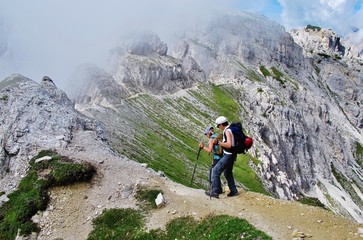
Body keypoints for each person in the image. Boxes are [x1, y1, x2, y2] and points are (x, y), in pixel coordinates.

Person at [205, 116, 239, 198]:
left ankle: (215, 192)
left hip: (228, 155)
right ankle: (234, 191)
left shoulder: (227, 131)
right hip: (233, 155)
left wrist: (218, 143)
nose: (218, 127)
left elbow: (229, 145)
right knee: (228, 173)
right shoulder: (231, 129)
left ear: (221, 124)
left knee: (215, 171)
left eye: (218, 126)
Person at [198, 126, 223, 194]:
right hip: (221, 157)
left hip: (216, 158)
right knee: (216, 172)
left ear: (209, 133)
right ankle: (219, 189)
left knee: (212, 173)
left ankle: (214, 190)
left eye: (206, 134)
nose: (206, 135)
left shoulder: (211, 139)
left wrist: (202, 147)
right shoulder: (217, 136)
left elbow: (209, 150)